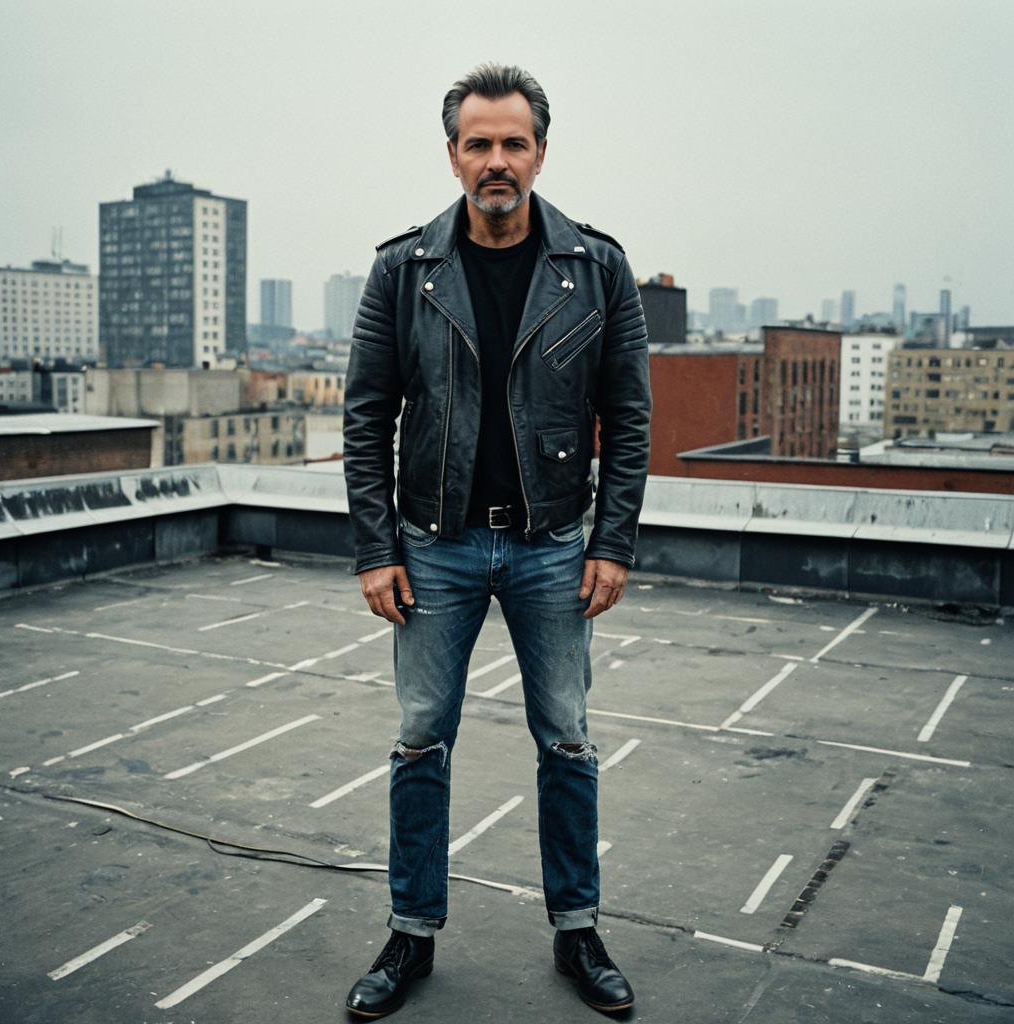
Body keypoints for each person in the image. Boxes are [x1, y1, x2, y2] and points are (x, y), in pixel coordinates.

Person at [342, 62, 651, 1018]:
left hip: (556, 543)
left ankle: (578, 930)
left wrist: (612, 544)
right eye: (478, 143)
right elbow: (365, 416)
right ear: (452, 156)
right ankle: (410, 934)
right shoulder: (404, 269)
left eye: (514, 142)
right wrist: (375, 548)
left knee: (567, 739)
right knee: (420, 741)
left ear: (541, 153)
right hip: (432, 544)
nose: (496, 161)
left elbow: (628, 416)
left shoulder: (596, 266)